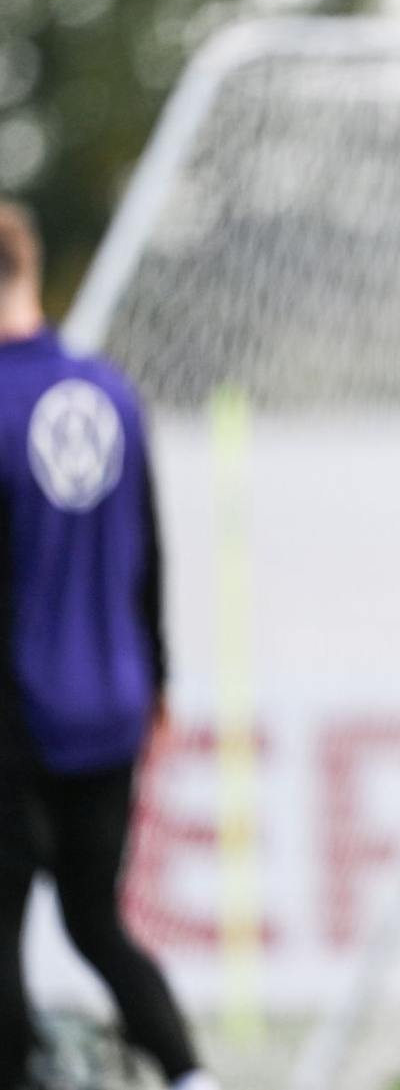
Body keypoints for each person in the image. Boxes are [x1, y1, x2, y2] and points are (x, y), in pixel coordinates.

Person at [0, 203, 218, 1090]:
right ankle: (192, 1076)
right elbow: (150, 548)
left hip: (18, 713)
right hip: (112, 703)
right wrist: (157, 680)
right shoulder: (109, 392)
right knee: (97, 922)